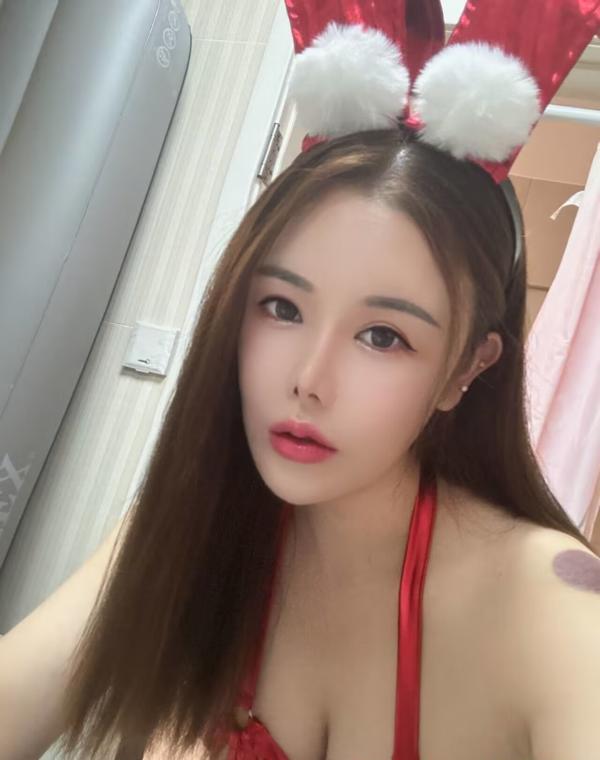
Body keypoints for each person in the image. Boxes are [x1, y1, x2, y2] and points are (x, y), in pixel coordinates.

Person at [2, 1, 600, 759]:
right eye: (282, 307)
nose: (309, 381)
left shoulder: (552, 614)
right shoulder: (190, 530)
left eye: (383, 336)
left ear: (465, 369)